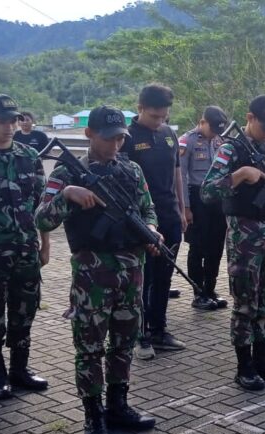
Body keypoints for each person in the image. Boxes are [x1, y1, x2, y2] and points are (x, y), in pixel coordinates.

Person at [34, 106, 157, 434]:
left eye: (120, 138)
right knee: (89, 347)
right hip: (92, 277)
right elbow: (42, 219)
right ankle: (93, 415)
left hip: (131, 273)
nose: (116, 144)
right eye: (109, 138)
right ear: (90, 135)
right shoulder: (65, 172)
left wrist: (152, 230)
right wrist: (66, 194)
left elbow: (148, 209)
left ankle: (119, 406)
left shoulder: (132, 169)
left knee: (123, 342)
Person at [202, 94, 265, 390]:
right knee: (246, 301)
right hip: (245, 234)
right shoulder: (230, 149)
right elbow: (207, 191)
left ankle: (263, 359)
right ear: (249, 117)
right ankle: (244, 366)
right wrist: (241, 175)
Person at [0, 94, 49, 400]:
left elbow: (43, 205)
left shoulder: (29, 155)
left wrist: (45, 245)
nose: (10, 126)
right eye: (2, 121)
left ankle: (20, 369)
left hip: (27, 250)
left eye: (14, 120)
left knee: (25, 310)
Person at [120, 84, 186, 359]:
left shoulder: (170, 134)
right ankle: (141, 335)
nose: (159, 121)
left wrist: (182, 210)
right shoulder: (127, 138)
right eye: (154, 116)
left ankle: (159, 330)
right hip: (143, 221)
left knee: (163, 278)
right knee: (143, 280)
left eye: (164, 116)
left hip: (170, 217)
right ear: (140, 108)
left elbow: (176, 173)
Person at [179, 106, 230, 311]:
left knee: (216, 247)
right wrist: (186, 208)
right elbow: (181, 176)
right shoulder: (187, 141)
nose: (215, 133)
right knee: (198, 247)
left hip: (217, 199)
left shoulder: (220, 141)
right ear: (203, 122)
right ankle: (198, 292)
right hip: (195, 198)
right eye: (212, 128)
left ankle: (210, 289)